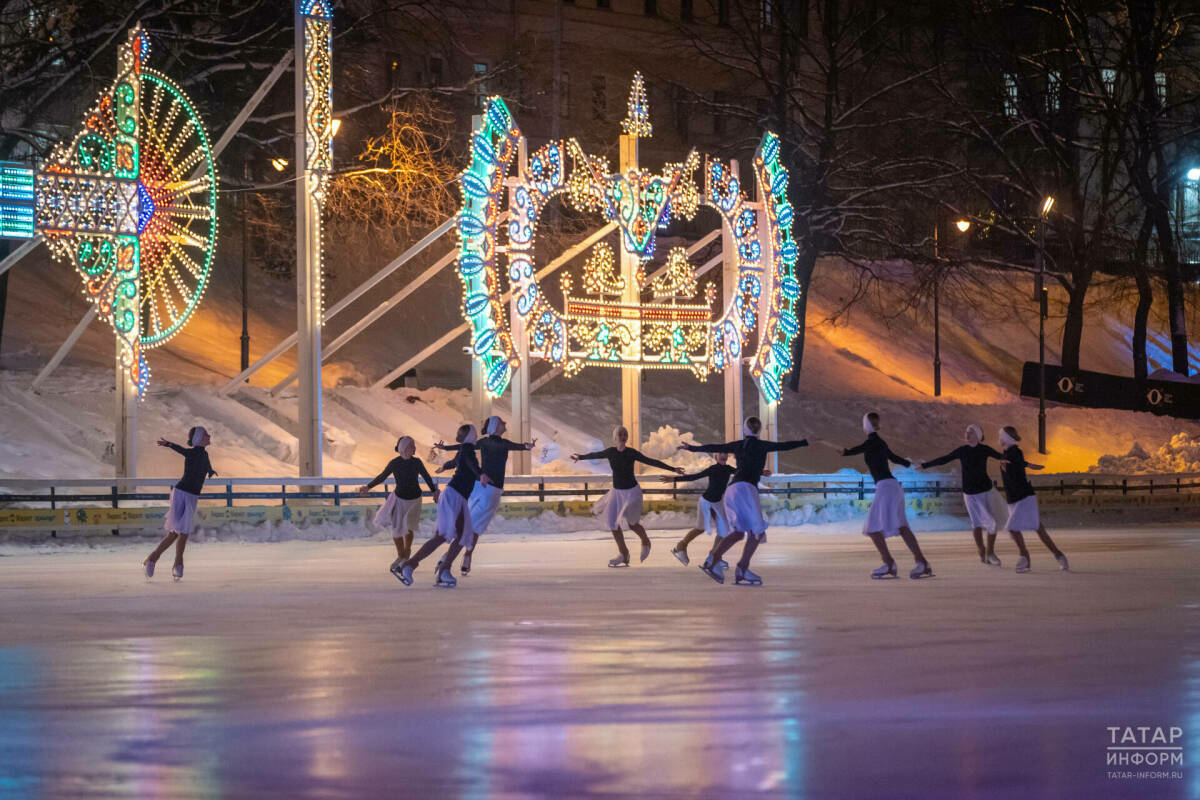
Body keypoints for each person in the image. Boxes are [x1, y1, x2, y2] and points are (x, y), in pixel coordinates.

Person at [679, 417, 808, 585]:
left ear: (745, 430)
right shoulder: (762, 445)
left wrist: (692, 448)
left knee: (739, 532)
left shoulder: (739, 444)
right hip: (746, 489)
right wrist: (805, 442)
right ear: (758, 430)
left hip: (732, 490)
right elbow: (785, 446)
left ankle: (714, 560)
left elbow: (715, 447)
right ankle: (740, 568)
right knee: (757, 532)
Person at [435, 415, 534, 575]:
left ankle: (452, 556)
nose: (505, 423)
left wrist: (446, 449)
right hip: (491, 489)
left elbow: (463, 448)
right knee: (474, 527)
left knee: (468, 524)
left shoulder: (484, 442)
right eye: (502, 422)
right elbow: (519, 446)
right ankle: (459, 557)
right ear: (495, 426)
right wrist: (527, 446)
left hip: (476, 487)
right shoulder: (503, 443)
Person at [572, 426, 683, 567]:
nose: (623, 436)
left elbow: (650, 461)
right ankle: (623, 553)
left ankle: (645, 540)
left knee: (632, 524)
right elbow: (596, 455)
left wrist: (673, 469)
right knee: (613, 523)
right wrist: (580, 457)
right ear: (615, 437)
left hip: (631, 492)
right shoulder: (611, 452)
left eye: (625, 434)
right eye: (620, 434)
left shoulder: (631, 453)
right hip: (617, 493)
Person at [842, 412, 933, 580]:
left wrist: (845, 452)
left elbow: (859, 449)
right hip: (893, 487)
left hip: (886, 487)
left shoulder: (872, 442)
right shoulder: (880, 443)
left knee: (872, 528)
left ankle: (889, 564)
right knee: (901, 527)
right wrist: (908, 464)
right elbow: (894, 457)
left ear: (866, 426)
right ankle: (922, 562)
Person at [396, 424, 487, 588]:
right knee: (449, 535)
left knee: (459, 535)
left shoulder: (464, 450)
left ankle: (441, 569)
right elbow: (471, 464)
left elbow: (455, 462)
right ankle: (412, 565)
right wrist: (481, 474)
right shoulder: (467, 450)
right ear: (471, 437)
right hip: (455, 496)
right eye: (474, 435)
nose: (476, 438)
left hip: (455, 496)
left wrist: (445, 466)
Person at [919, 424, 1005, 565]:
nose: (967, 434)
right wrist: (924, 465)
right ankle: (982, 550)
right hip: (969, 493)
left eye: (970, 432)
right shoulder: (962, 451)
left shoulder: (984, 450)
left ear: (978, 435)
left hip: (985, 491)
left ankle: (991, 552)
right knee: (976, 523)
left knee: (992, 523)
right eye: (966, 432)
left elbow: (1002, 457)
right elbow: (944, 459)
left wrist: (1023, 462)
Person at [358, 435, 439, 580]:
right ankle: (401, 555)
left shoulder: (417, 462)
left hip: (415, 499)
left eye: (414, 446)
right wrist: (368, 487)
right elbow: (382, 476)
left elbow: (426, 476)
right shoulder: (395, 463)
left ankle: (407, 552)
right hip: (399, 499)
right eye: (411, 446)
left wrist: (434, 491)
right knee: (397, 529)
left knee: (409, 527)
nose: (414, 448)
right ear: (403, 448)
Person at [143, 426, 217, 581]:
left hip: (191, 495)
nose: (209, 436)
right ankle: (177, 564)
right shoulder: (194, 453)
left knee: (177, 533)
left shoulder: (204, 454)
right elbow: (183, 450)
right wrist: (169, 444)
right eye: (206, 434)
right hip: (182, 493)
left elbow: (205, 464)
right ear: (199, 439)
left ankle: (153, 559)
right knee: (181, 532)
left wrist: (210, 470)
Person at [998, 425, 1068, 573]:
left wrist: (1027, 464)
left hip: (1024, 496)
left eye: (1001, 436)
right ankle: (1059, 555)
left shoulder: (1015, 452)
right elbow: (1017, 463)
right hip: (1013, 498)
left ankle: (1024, 557)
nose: (999, 439)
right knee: (1038, 528)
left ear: (1006, 438)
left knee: (1013, 527)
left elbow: (1017, 461)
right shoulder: (1005, 454)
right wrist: (1028, 464)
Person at [659, 453, 736, 566]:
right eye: (720, 454)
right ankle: (681, 545)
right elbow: (695, 476)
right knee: (700, 528)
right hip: (706, 501)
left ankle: (714, 556)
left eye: (725, 453)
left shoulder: (728, 469)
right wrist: (674, 478)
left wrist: (760, 472)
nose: (723, 456)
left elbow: (743, 472)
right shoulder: (713, 469)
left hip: (717, 502)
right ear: (716, 457)